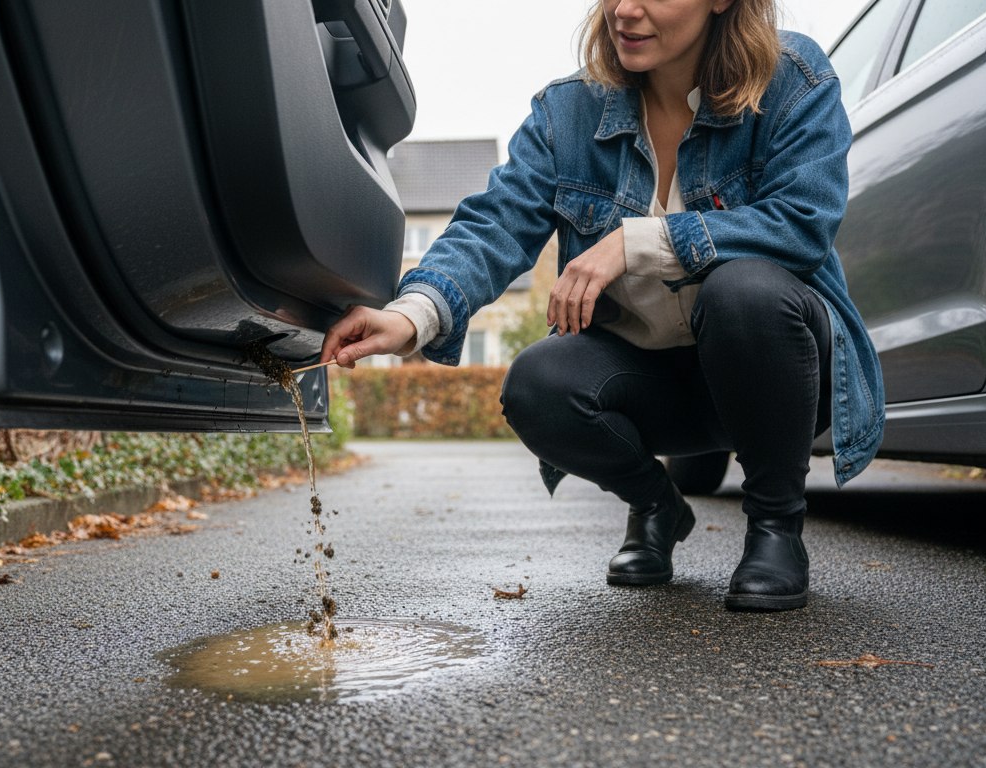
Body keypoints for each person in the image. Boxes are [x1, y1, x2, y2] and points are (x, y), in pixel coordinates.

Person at [318, 0, 884, 612]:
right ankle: (656, 505)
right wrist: (412, 315)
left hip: (779, 370)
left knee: (743, 290)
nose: (624, 10)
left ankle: (776, 528)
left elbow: (803, 222)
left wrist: (641, 241)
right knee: (536, 382)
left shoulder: (793, 79)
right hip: (653, 387)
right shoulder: (569, 112)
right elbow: (495, 226)